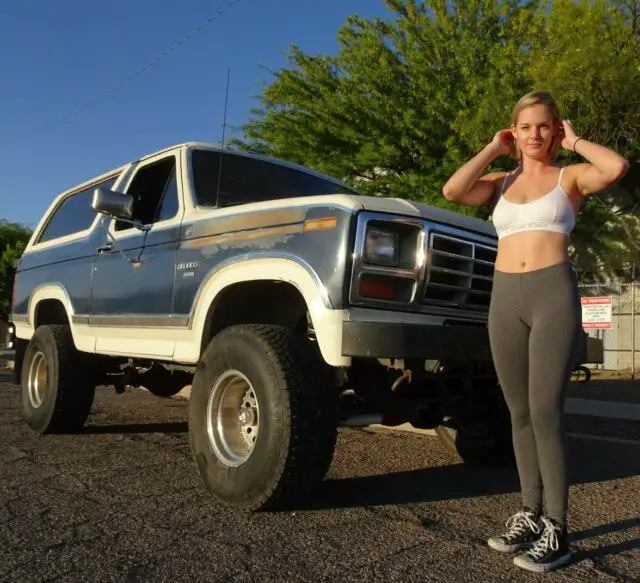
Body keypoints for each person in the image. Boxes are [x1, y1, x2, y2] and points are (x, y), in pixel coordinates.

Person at [442, 91, 629, 573]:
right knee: (519, 412)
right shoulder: (500, 182)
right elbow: (453, 191)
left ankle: (557, 530)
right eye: (526, 127)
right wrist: (491, 148)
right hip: (505, 297)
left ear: (554, 130)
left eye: (544, 126)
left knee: (546, 412)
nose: (535, 135)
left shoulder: (570, 177)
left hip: (551, 295)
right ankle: (529, 513)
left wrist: (577, 140)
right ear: (514, 132)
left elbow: (615, 167)